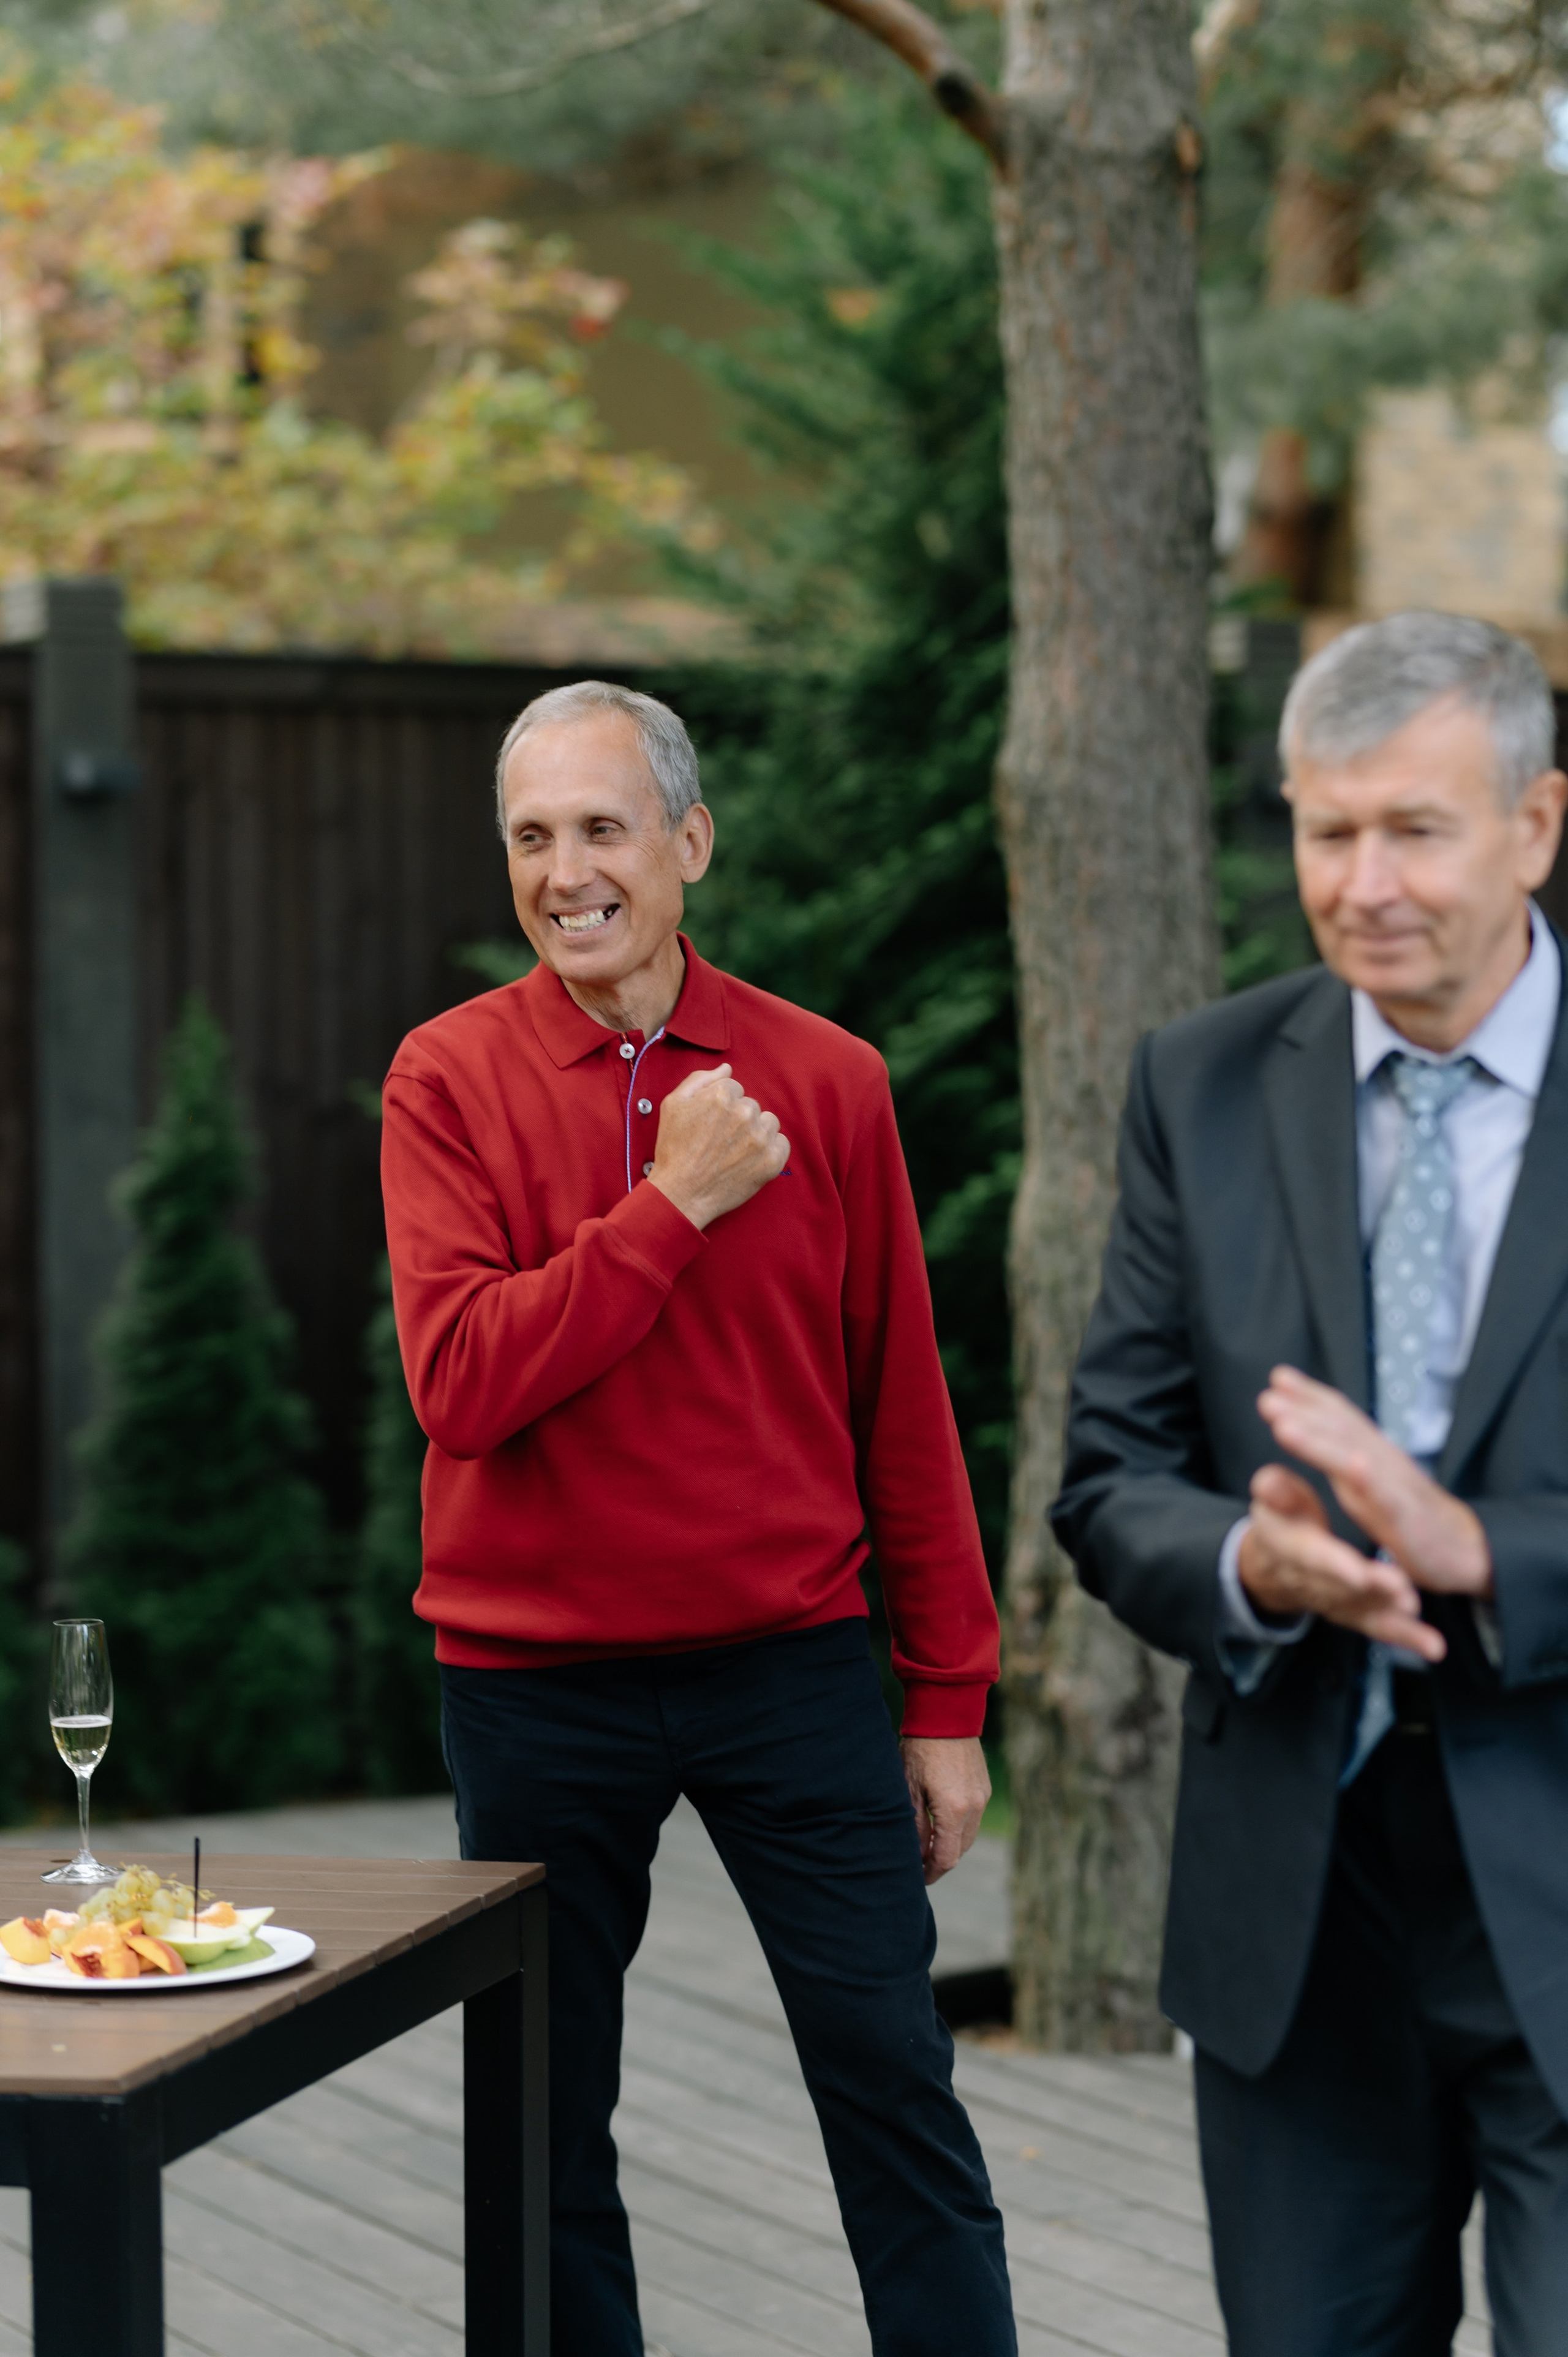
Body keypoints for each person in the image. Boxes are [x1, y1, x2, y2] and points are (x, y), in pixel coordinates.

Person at [380, 679, 1015, 2357]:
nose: (565, 872)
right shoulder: (445, 1079)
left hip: (789, 1669)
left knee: (895, 2084)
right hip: (533, 1686)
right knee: (540, 2119)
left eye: (602, 828)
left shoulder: (832, 1081)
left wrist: (947, 1699)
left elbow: (902, 1408)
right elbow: (463, 1384)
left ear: (691, 843)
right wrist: (673, 1206)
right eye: (531, 837)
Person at [1050, 611, 1568, 2355]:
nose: (1364, 884)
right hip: (1301, 1909)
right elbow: (1112, 1476)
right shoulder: (1199, 1085)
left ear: (1536, 825)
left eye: (1415, 829)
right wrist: (1252, 1567)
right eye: (1327, 830)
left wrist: (1481, 1548)